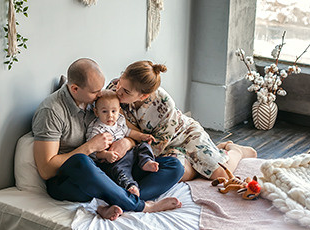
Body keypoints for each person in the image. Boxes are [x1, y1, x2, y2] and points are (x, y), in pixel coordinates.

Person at [32, 58, 183, 220]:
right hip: (74, 178)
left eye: (101, 89)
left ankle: (119, 200)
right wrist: (90, 147)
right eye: (96, 92)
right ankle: (141, 205)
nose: (101, 94)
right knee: (81, 161)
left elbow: (129, 132)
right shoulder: (51, 111)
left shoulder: (96, 101)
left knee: (174, 166)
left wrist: (125, 143)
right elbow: (46, 170)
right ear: (75, 89)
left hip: (107, 169)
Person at [108, 61, 257, 182]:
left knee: (220, 174)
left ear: (143, 96)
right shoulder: (114, 88)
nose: (118, 91)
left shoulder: (164, 105)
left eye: (126, 91)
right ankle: (208, 155)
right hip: (164, 148)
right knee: (177, 173)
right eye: (120, 83)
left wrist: (128, 136)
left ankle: (236, 150)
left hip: (182, 136)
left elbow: (154, 146)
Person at [86, 91, 159, 197]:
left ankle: (146, 161)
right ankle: (130, 186)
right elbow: (93, 152)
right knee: (119, 171)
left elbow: (128, 132)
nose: (110, 116)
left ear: (119, 111)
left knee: (144, 146)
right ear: (96, 112)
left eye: (113, 111)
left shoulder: (119, 120)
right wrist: (106, 155)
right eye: (104, 111)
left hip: (129, 154)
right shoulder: (96, 130)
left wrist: (141, 136)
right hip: (115, 161)